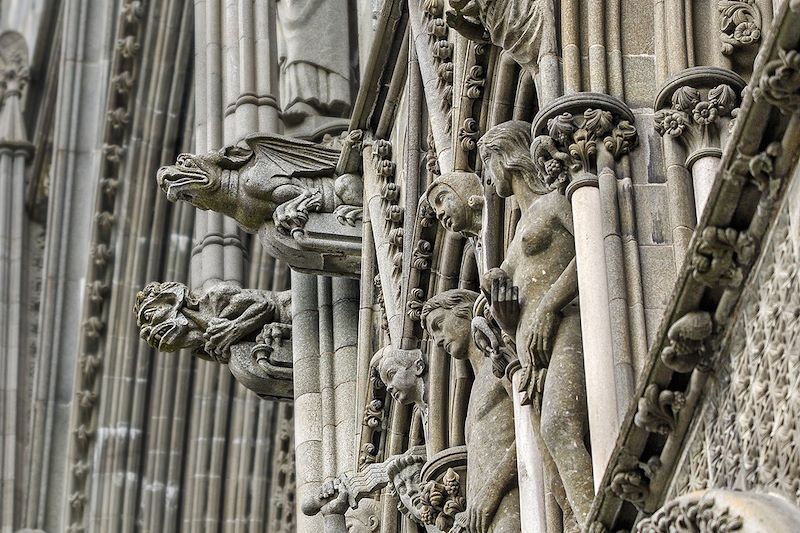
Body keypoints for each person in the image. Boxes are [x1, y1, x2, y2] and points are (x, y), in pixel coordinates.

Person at [478, 120, 593, 528]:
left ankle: (600, 522)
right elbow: (514, 318)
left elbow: (595, 241)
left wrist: (549, 306)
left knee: (561, 427)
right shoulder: (513, 240)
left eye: (487, 166)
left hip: (566, 327)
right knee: (552, 465)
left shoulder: (553, 204)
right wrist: (506, 317)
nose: (489, 181)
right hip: (530, 357)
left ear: (505, 159)